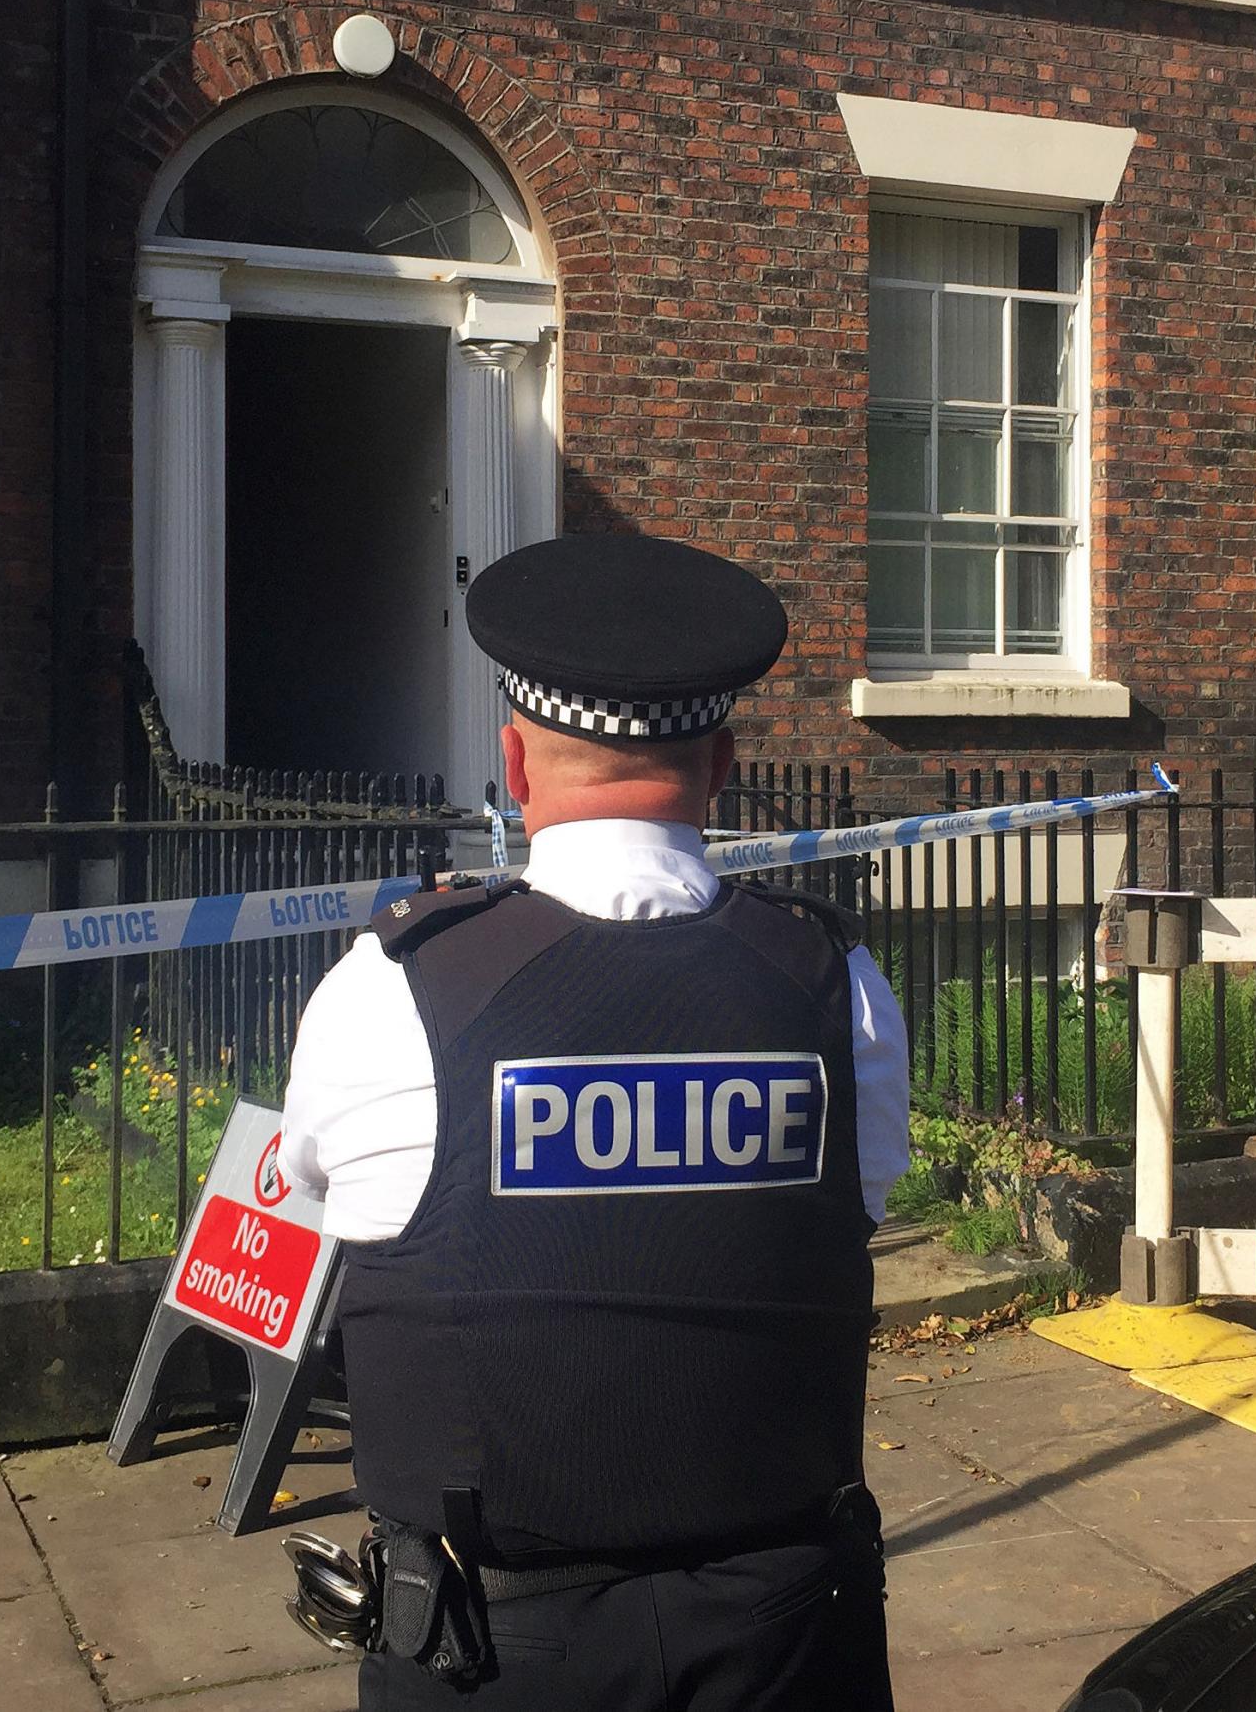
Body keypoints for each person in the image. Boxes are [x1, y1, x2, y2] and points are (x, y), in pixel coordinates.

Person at [279, 532, 910, 1710]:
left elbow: (326, 1202)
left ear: (515, 764)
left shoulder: (391, 990)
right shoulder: (840, 991)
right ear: (721, 764)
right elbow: (854, 1210)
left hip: (493, 1650)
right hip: (782, 1640)